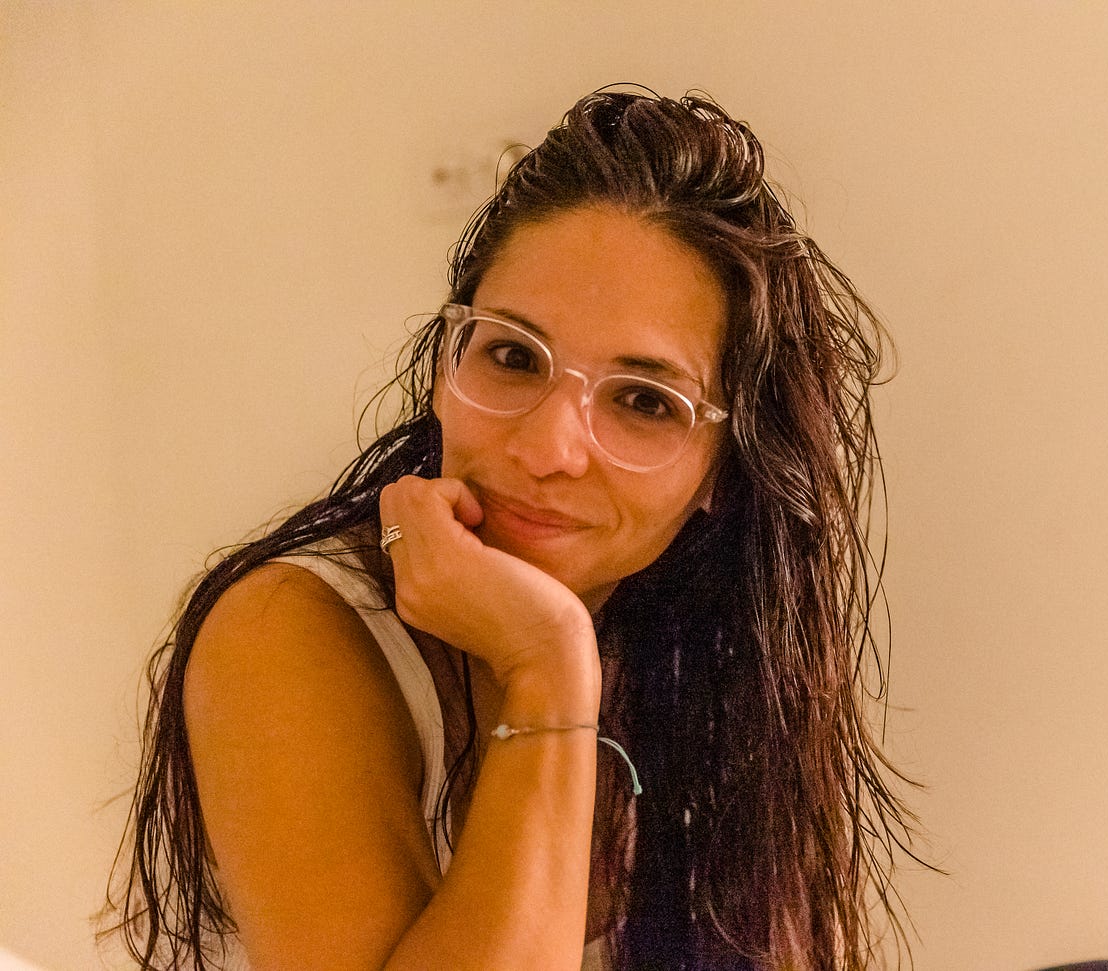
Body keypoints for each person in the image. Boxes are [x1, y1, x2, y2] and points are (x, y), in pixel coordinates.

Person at [107, 89, 921, 971]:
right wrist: (548, 668)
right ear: (443, 365)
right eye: (512, 355)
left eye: (645, 401)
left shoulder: (706, 662)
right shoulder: (289, 632)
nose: (548, 446)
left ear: (726, 471)